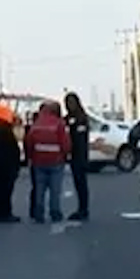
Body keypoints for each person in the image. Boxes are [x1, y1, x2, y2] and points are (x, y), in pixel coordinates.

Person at [25, 100, 71, 224]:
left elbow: (29, 141)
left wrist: (30, 156)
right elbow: (65, 143)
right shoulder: (59, 124)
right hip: (56, 160)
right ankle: (55, 212)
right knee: (55, 189)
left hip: (39, 160)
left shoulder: (37, 123)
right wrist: (65, 155)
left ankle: (39, 212)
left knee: (40, 188)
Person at [63, 91, 93, 221]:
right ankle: (82, 208)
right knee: (78, 183)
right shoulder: (70, 117)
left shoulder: (81, 118)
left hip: (79, 155)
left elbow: (80, 139)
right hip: (74, 154)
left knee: (81, 183)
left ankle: (83, 209)